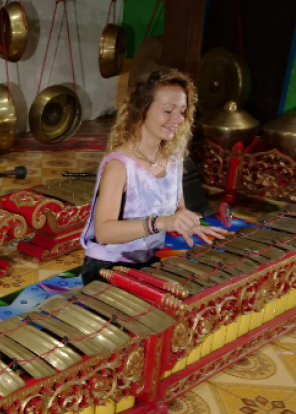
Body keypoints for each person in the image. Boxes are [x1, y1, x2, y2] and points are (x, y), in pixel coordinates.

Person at [79, 68, 227, 285]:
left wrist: (186, 222)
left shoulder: (174, 159)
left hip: (147, 261)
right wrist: (162, 222)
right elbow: (104, 233)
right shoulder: (119, 165)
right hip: (107, 267)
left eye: (183, 111)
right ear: (142, 110)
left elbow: (178, 208)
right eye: (168, 110)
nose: (178, 119)